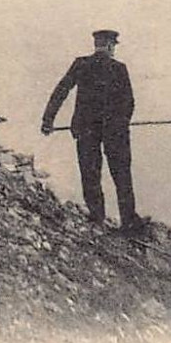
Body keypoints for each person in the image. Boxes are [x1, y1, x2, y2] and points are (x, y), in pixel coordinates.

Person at [40, 29, 140, 234]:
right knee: (122, 176)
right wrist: (121, 123)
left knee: (90, 173)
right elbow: (129, 102)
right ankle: (128, 223)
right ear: (111, 46)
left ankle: (97, 217)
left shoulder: (81, 64)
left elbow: (61, 90)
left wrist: (48, 120)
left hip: (85, 129)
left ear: (97, 45)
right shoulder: (119, 69)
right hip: (115, 132)